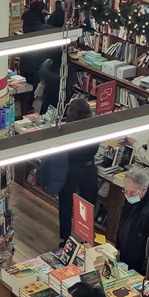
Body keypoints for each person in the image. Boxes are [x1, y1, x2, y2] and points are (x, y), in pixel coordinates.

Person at [57, 98, 99, 244]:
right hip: (88, 169)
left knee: (66, 204)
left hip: (71, 169)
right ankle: (86, 237)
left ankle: (65, 237)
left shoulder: (68, 128)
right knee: (88, 206)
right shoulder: (93, 128)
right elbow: (95, 149)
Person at [116, 166, 149, 275]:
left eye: (132, 193)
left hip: (138, 263)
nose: (127, 195)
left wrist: (144, 270)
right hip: (126, 251)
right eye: (125, 190)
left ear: (144, 190)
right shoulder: (132, 195)